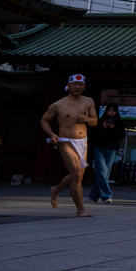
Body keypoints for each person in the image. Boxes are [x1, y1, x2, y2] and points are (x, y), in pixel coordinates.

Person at [40, 74, 98, 217]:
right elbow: (44, 120)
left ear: (84, 86)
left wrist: (86, 119)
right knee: (77, 173)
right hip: (65, 141)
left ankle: (56, 190)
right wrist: (51, 134)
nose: (77, 87)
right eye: (75, 84)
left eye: (80, 84)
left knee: (77, 176)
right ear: (69, 85)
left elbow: (95, 121)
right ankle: (80, 209)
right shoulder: (58, 105)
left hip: (82, 141)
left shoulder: (89, 101)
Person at [88, 103, 125, 204]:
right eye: (109, 110)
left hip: (111, 149)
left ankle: (93, 196)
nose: (111, 113)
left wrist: (113, 128)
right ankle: (106, 195)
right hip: (99, 148)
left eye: (113, 111)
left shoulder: (119, 123)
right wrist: (102, 128)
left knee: (104, 173)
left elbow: (121, 135)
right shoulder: (100, 121)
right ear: (106, 111)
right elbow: (92, 134)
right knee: (102, 171)